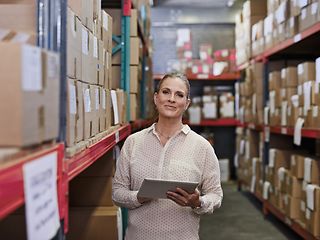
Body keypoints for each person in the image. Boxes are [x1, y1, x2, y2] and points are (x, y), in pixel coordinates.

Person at [112, 72, 223, 240]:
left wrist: (198, 202)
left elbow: (215, 194)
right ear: (156, 98)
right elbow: (117, 193)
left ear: (186, 104)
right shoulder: (133, 142)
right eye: (166, 92)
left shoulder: (202, 147)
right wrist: (139, 197)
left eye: (179, 95)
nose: (171, 99)